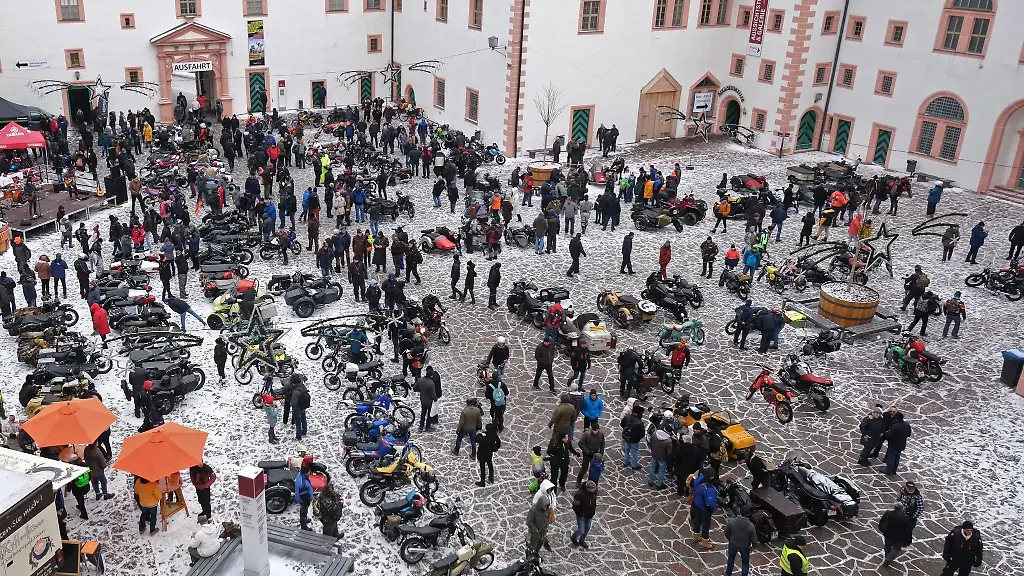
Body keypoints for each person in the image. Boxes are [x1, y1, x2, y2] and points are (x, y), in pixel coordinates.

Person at [878, 502, 914, 568]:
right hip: (899, 538)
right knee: (896, 549)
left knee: (887, 547)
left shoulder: (888, 514)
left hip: (888, 534)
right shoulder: (905, 519)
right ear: (902, 509)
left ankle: (887, 557)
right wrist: (909, 540)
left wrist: (882, 529)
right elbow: (908, 531)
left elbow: (882, 522)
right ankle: (888, 559)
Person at [689, 467, 717, 549]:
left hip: (697, 504)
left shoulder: (699, 478)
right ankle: (705, 542)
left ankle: (696, 536)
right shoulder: (709, 488)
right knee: (706, 524)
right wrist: (711, 509)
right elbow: (710, 502)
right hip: (705, 509)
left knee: (698, 519)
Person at [570, 480, 598, 549]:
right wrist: (580, 514)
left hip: (590, 515)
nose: (593, 491)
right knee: (581, 530)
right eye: (592, 490)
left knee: (587, 529)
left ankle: (581, 541)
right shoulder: (579, 494)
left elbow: (594, 502)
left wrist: (593, 511)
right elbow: (575, 506)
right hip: (582, 516)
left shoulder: (594, 492)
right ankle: (574, 537)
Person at [526, 487, 553, 555]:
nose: (545, 507)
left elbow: (547, 517)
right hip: (535, 532)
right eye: (544, 505)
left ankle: (537, 551)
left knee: (541, 542)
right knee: (534, 544)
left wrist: (546, 525)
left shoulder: (547, 509)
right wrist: (535, 530)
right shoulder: (533, 510)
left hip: (543, 530)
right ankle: (531, 553)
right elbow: (529, 522)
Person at [475, 422, 501, 487]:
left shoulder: (485, 437)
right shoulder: (494, 435)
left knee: (482, 468)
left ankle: (482, 482)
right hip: (489, 453)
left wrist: (481, 434)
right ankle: (491, 477)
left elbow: (476, 439)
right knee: (490, 465)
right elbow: (498, 443)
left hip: (482, 454)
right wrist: (494, 448)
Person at [620, 403, 645, 469]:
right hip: (634, 441)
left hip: (626, 437)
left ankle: (625, 462)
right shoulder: (639, 423)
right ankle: (634, 465)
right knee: (634, 452)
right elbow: (642, 434)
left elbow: (622, 424)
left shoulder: (627, 417)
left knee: (627, 450)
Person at [648, 425, 672, 490]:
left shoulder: (655, 434)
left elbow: (650, 443)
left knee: (652, 468)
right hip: (662, 458)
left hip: (654, 454)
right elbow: (669, 452)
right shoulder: (668, 440)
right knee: (661, 471)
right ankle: (659, 484)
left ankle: (650, 481)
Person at [295, 466, 315, 531]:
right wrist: (307, 503)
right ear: (306, 473)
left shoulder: (300, 475)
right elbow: (304, 495)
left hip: (300, 498)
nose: (309, 473)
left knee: (303, 511)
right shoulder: (303, 484)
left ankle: (304, 520)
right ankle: (304, 526)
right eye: (308, 472)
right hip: (303, 501)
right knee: (303, 512)